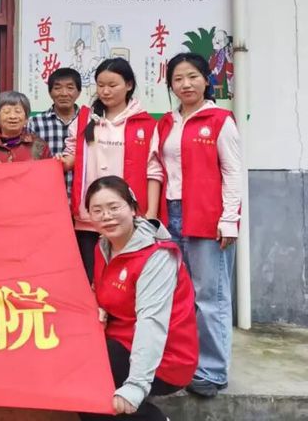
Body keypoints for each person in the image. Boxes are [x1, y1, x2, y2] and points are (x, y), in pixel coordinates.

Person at [146, 53, 241, 398]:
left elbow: (233, 172)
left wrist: (229, 220)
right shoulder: (165, 124)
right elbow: (155, 169)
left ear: (206, 80)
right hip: (170, 215)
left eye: (193, 77)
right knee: (177, 294)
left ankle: (212, 371)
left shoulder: (220, 120)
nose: (185, 84)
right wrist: (152, 217)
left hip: (207, 217)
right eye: (178, 79)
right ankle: (181, 363)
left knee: (210, 296)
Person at [80, 176, 197, 421]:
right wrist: (97, 307)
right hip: (121, 340)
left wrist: (135, 386)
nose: (106, 216)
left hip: (165, 356)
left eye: (114, 207)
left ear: (133, 208)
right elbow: (101, 293)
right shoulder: (103, 247)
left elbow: (151, 323)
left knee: (89, 381)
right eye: (97, 210)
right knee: (78, 367)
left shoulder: (157, 256)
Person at [61, 58, 155, 281]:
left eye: (112, 85)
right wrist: (59, 162)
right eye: (101, 85)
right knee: (91, 277)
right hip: (89, 215)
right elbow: (72, 155)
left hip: (125, 214)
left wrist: (150, 212)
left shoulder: (145, 123)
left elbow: (154, 170)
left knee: (124, 276)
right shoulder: (85, 119)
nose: (105, 91)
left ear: (129, 85)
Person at [27, 67, 82, 198]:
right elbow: (30, 162)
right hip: (46, 195)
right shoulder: (35, 122)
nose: (64, 93)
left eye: (70, 88)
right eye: (57, 88)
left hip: (83, 197)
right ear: (50, 92)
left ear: (79, 92)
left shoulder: (90, 121)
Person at [0, 91, 52, 163]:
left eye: (18, 111)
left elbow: (48, 171)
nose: (12, 116)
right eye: (7, 112)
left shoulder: (39, 146)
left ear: (26, 119)